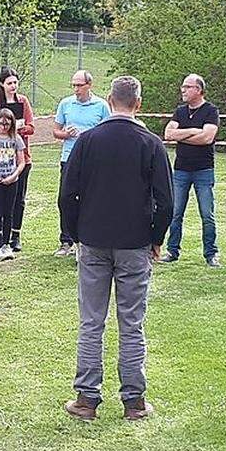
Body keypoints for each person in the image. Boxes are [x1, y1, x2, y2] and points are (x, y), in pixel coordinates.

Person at [60, 75, 172, 422]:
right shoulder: (151, 143)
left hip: (93, 240)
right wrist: (156, 238)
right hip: (134, 243)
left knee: (92, 322)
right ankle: (134, 401)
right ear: (138, 103)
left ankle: (87, 399)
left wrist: (74, 233)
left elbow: (67, 195)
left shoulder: (88, 140)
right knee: (132, 323)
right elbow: (166, 202)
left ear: (109, 100)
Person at [161, 73, 220, 266]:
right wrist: (193, 130)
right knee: (175, 212)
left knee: (207, 214)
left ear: (199, 90)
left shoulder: (211, 111)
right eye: (183, 87)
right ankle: (172, 251)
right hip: (181, 170)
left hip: (203, 169)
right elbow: (168, 134)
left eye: (187, 87)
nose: (183, 90)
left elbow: (207, 138)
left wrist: (182, 135)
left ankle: (211, 253)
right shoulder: (180, 111)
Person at [52, 70, 110, 257]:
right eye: (73, 85)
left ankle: (87, 242)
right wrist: (66, 134)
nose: (76, 89)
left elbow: (109, 131)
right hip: (68, 159)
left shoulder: (101, 106)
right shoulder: (65, 104)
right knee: (65, 199)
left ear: (89, 86)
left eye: (79, 85)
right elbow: (56, 131)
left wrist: (89, 136)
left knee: (90, 201)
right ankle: (66, 240)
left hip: (93, 161)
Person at [0, 68, 36, 252]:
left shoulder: (23, 102)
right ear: (2, 85)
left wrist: (17, 128)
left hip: (21, 158)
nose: (13, 86)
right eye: (9, 83)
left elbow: (31, 127)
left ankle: (15, 235)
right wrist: (5, 128)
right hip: (0, 162)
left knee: (18, 199)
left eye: (15, 82)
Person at [0, 108, 27, 261]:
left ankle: (6, 244)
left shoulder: (16, 139)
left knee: (9, 213)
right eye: (1, 124)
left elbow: (21, 162)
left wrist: (14, 176)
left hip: (11, 181)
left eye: (7, 124)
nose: (3, 127)